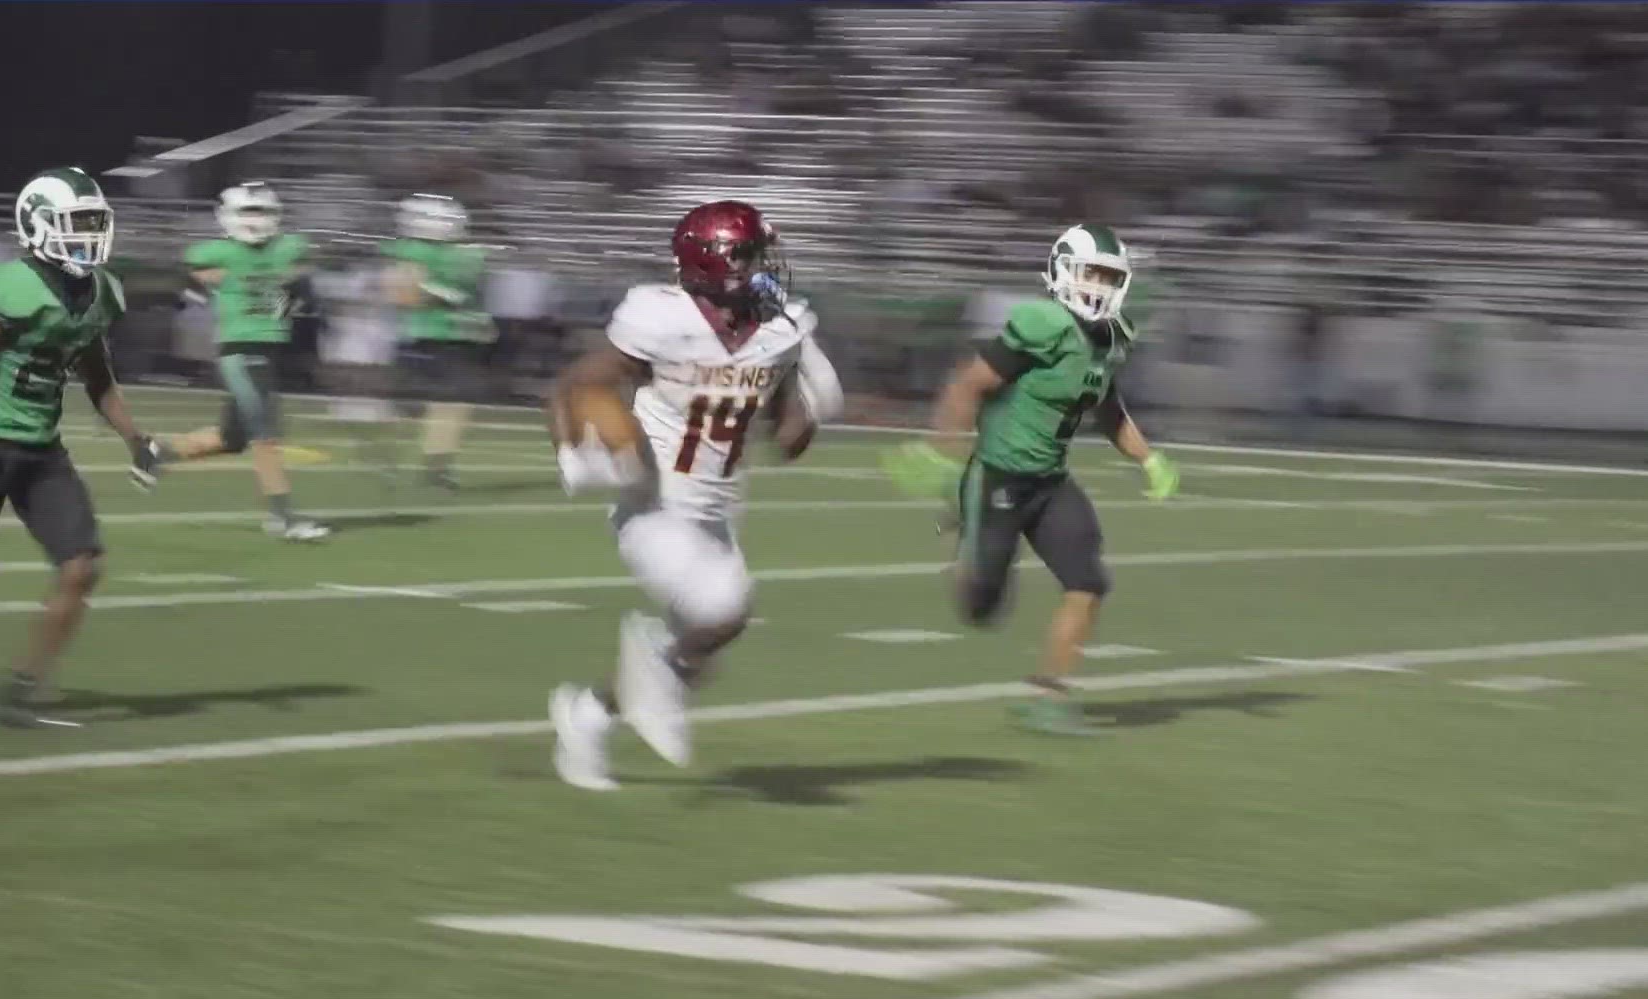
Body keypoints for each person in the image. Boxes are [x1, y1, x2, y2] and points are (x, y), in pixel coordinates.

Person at [544, 200, 844, 790]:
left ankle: (586, 717)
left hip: (716, 511)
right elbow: (578, 385)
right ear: (719, 262)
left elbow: (786, 435)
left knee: (707, 645)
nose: (765, 266)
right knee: (724, 608)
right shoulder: (660, 318)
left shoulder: (778, 331)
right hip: (653, 501)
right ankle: (648, 667)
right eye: (753, 254)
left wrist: (810, 409)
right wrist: (574, 452)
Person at [885, 224, 1179, 734]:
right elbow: (969, 384)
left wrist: (1149, 460)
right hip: (997, 475)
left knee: (1088, 581)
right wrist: (943, 454)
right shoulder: (1042, 323)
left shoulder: (1111, 340)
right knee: (982, 608)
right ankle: (965, 538)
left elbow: (1109, 411)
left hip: (1049, 483)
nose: (1100, 288)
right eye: (1092, 274)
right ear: (1063, 270)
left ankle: (1049, 696)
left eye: (1110, 278)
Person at [0, 167, 164, 728]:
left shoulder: (100, 291)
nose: (87, 237)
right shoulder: (12, 286)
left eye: (92, 225)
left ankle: (21, 688)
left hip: (42, 452)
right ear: (37, 225)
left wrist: (137, 439)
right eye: (75, 225)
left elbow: (97, 375)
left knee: (83, 567)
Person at [160, 181, 331, 541]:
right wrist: (203, 289)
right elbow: (186, 284)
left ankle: (155, 453)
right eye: (247, 212)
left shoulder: (288, 249)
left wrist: (285, 301)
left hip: (269, 347)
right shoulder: (214, 253)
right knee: (265, 434)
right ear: (228, 216)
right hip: (239, 349)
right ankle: (281, 517)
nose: (254, 220)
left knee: (231, 437)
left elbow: (301, 292)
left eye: (261, 212)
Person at [380, 193, 498, 490]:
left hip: (452, 336)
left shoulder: (466, 254)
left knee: (452, 406)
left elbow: (406, 294)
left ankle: (437, 468)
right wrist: (440, 293)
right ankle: (423, 465)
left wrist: (436, 292)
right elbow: (404, 296)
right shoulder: (421, 251)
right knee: (430, 406)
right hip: (431, 335)